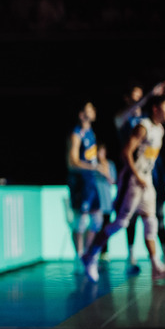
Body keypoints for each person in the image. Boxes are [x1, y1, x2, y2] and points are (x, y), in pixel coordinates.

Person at [83, 95, 165, 283]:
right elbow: (125, 152)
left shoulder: (160, 129)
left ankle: (156, 266)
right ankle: (90, 256)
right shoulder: (143, 127)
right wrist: (137, 175)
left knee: (151, 221)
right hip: (133, 180)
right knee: (120, 223)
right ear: (156, 109)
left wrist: (145, 178)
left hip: (146, 180)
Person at [67, 102, 111, 266]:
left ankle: (88, 253)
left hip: (91, 182)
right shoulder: (76, 134)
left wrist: (102, 169)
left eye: (93, 109)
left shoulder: (91, 133)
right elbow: (73, 161)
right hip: (80, 182)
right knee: (81, 220)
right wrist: (94, 167)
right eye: (89, 109)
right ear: (81, 114)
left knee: (97, 219)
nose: (93, 112)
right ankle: (78, 256)